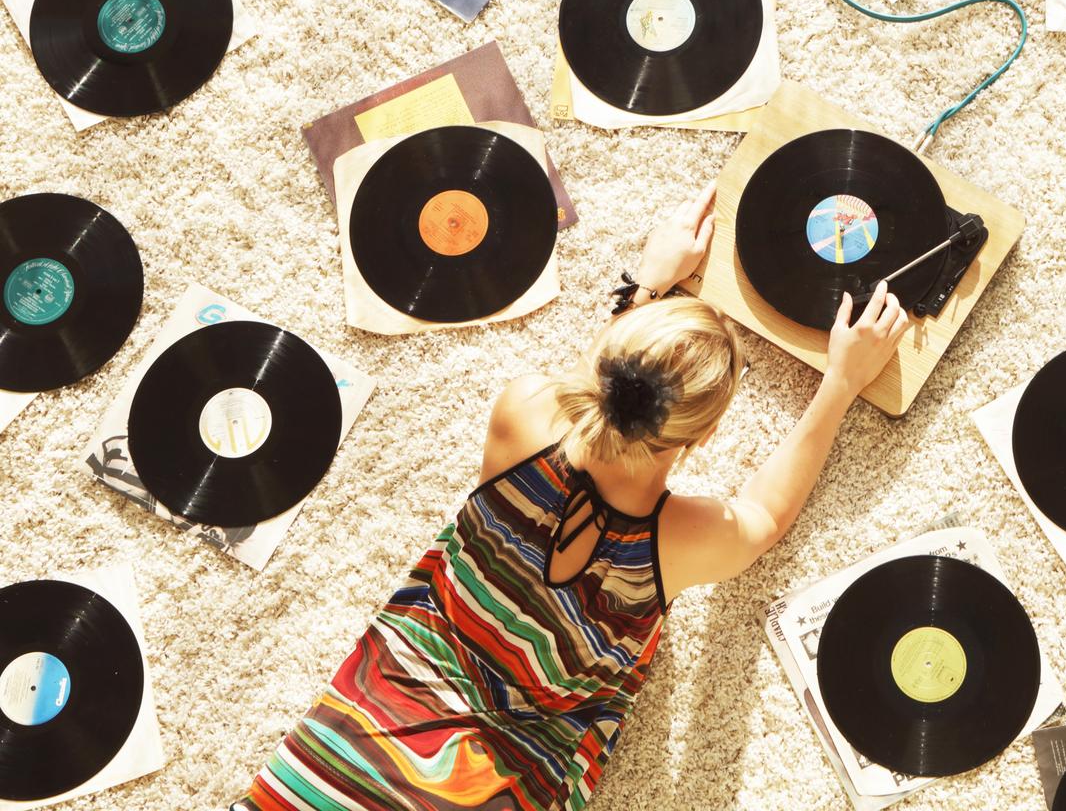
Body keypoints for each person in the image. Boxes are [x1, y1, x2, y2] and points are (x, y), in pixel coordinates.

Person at [233, 182, 909, 811]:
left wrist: (646, 284)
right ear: (696, 442)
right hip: (492, 777)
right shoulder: (675, 543)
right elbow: (765, 517)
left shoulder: (522, 410)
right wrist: (840, 384)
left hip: (355, 738)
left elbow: (585, 392)